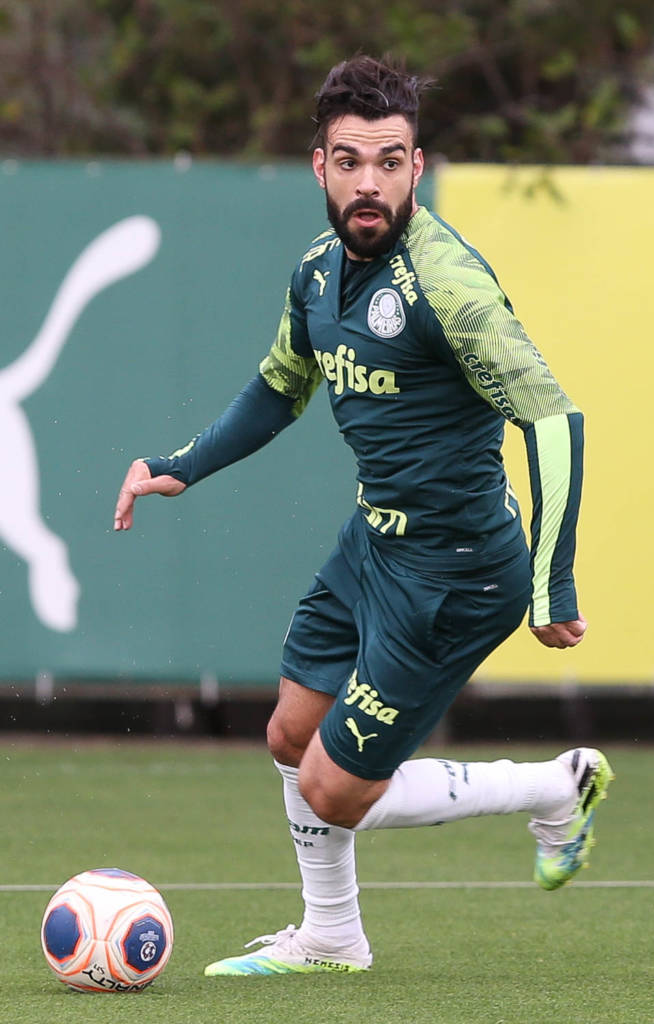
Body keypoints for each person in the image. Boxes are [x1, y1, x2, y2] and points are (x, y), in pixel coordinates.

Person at [114, 55, 613, 978]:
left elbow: (553, 420)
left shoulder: (448, 285)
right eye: (350, 162)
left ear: (416, 166)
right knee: (288, 735)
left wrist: (553, 583)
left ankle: (556, 785)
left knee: (332, 790)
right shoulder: (316, 271)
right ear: (321, 166)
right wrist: (182, 466)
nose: (369, 183)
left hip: (456, 574)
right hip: (372, 543)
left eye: (390, 161)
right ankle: (331, 936)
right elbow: (280, 386)